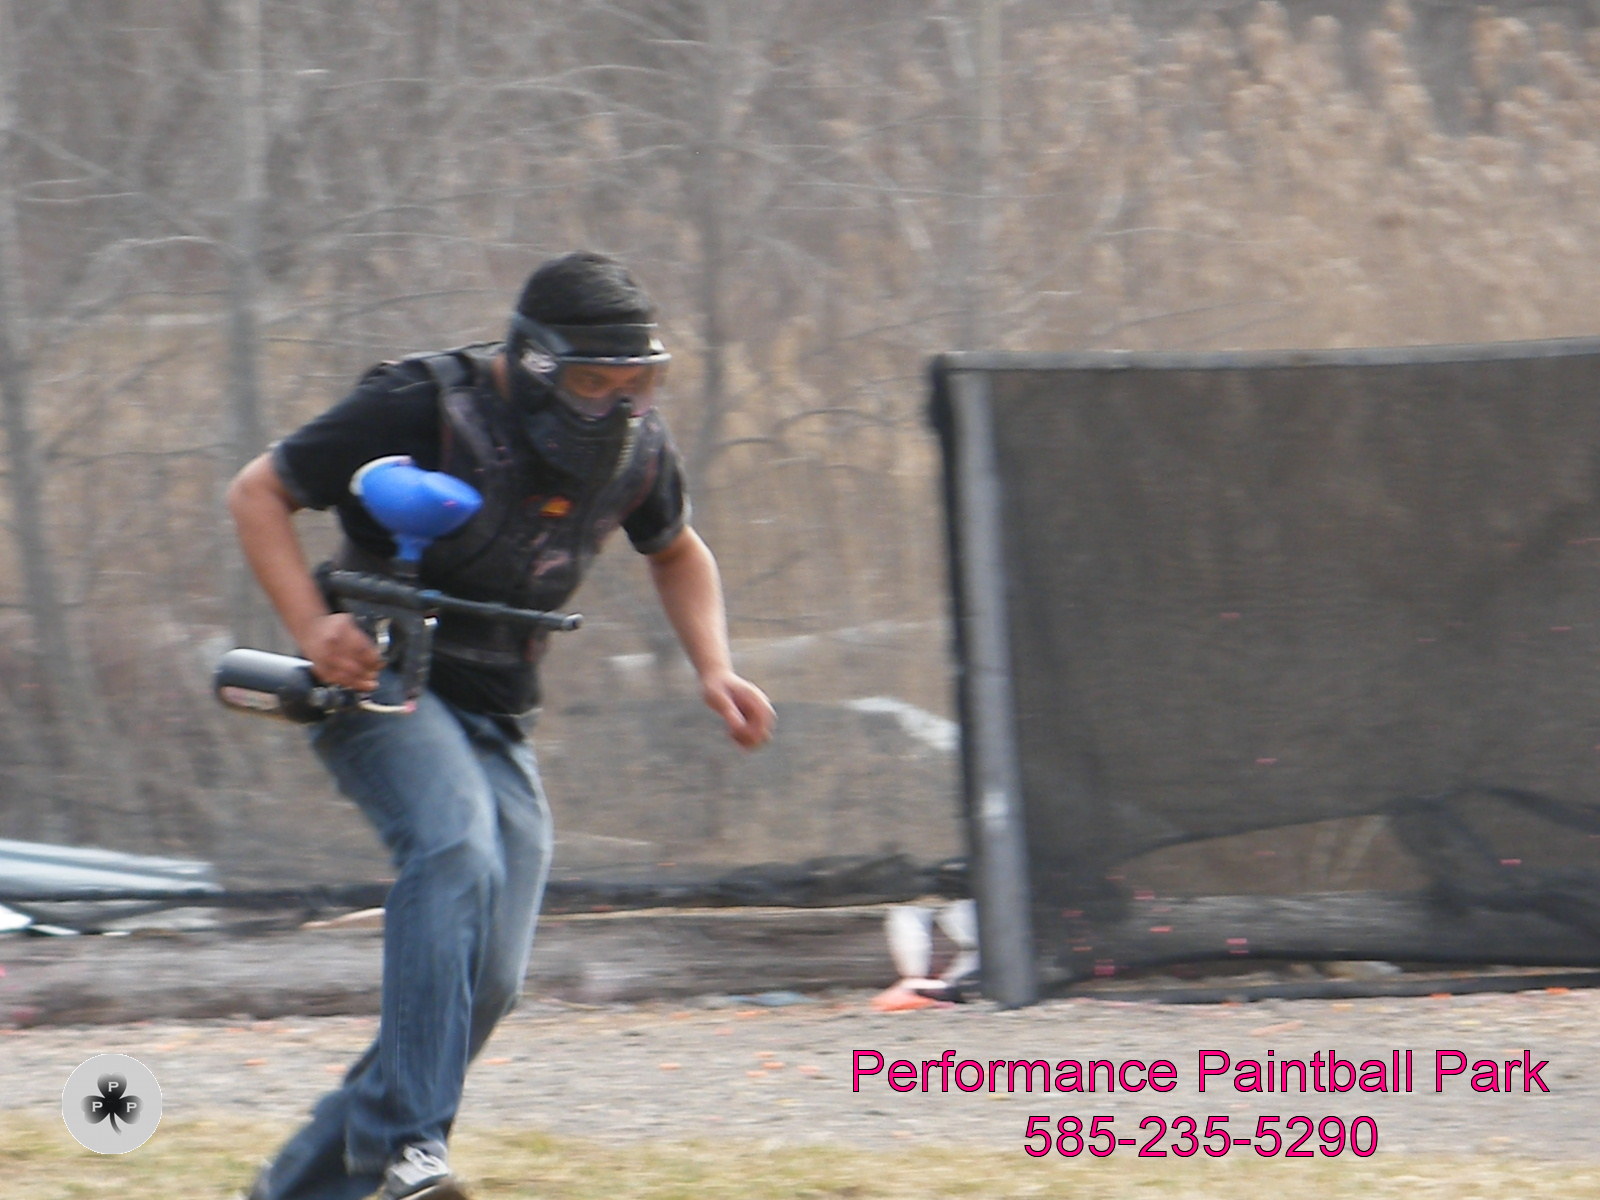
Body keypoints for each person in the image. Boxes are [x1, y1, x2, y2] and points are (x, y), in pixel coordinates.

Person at [227, 251, 776, 1200]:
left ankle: (304, 1191)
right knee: (454, 849)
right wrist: (314, 629)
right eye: (594, 383)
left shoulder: (638, 450)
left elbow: (678, 550)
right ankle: (408, 1149)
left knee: (484, 980)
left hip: (497, 711)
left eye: (637, 384)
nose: (619, 405)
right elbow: (257, 492)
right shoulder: (420, 405)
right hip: (382, 680)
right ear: (533, 364)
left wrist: (715, 665)